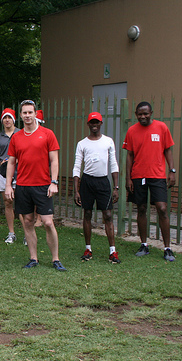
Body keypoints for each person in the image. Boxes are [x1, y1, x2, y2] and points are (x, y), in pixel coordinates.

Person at [5, 100, 67, 271]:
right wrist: (9, 185)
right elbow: (11, 162)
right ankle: (33, 258)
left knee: (47, 222)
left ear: (35, 114)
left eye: (30, 112)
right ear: (21, 115)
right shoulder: (16, 137)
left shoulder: (47, 134)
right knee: (27, 221)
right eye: (24, 113)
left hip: (43, 185)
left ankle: (55, 259)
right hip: (23, 186)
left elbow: (54, 160)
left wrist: (54, 182)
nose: (27, 116)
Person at [123, 101, 177, 261]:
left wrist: (171, 171)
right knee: (141, 208)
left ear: (151, 112)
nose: (143, 116)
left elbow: (168, 150)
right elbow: (129, 155)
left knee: (161, 209)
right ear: (136, 114)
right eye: (140, 114)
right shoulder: (132, 131)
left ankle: (167, 248)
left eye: (145, 113)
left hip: (158, 175)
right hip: (139, 175)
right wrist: (128, 178)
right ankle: (144, 245)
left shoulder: (162, 128)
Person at [73, 112, 121, 264]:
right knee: (87, 214)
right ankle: (88, 249)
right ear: (88, 124)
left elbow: (113, 164)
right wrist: (76, 190)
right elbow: (76, 166)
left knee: (107, 215)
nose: (94, 125)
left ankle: (112, 252)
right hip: (87, 181)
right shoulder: (82, 144)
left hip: (103, 182)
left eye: (97, 122)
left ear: (101, 123)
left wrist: (116, 187)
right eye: (92, 122)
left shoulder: (108, 141)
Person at [0, 108, 20, 244]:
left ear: (13, 119)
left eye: (9, 117)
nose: (7, 120)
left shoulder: (21, 133)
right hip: (3, 173)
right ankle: (11, 233)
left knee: (23, 204)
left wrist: (15, 161)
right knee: (8, 203)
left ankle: (27, 234)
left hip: (20, 173)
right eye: (5, 118)